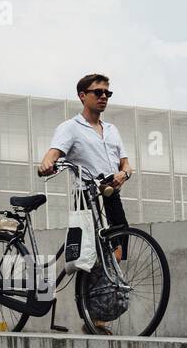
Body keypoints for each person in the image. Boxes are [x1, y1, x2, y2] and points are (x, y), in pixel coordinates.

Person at [37, 72, 133, 333]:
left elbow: (125, 163)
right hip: (85, 197)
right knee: (88, 256)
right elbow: (54, 152)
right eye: (98, 92)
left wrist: (124, 173)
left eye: (107, 93)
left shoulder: (112, 130)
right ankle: (95, 319)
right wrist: (47, 163)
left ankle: (97, 311)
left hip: (111, 195)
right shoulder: (70, 127)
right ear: (82, 96)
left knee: (116, 251)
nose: (103, 97)